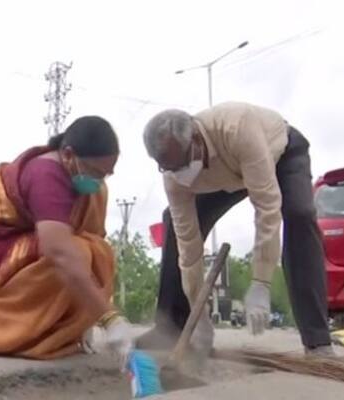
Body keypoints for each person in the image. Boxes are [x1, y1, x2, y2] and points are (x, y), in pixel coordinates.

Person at [0, 116, 133, 367]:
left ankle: (62, 332)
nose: (99, 181)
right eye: (95, 172)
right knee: (76, 254)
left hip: (23, 244)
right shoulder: (46, 174)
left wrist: (85, 320)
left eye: (106, 174)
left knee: (99, 252)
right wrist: (108, 318)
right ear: (68, 154)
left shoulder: (89, 186)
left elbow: (93, 238)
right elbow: (57, 251)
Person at [138, 102, 333, 356]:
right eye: (168, 168)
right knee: (173, 224)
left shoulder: (237, 126)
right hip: (225, 176)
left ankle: (317, 339)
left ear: (195, 139)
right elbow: (189, 246)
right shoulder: (175, 177)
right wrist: (201, 316)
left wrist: (261, 283)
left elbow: (267, 207)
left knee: (299, 214)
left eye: (181, 164)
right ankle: (176, 326)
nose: (178, 174)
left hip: (275, 154)